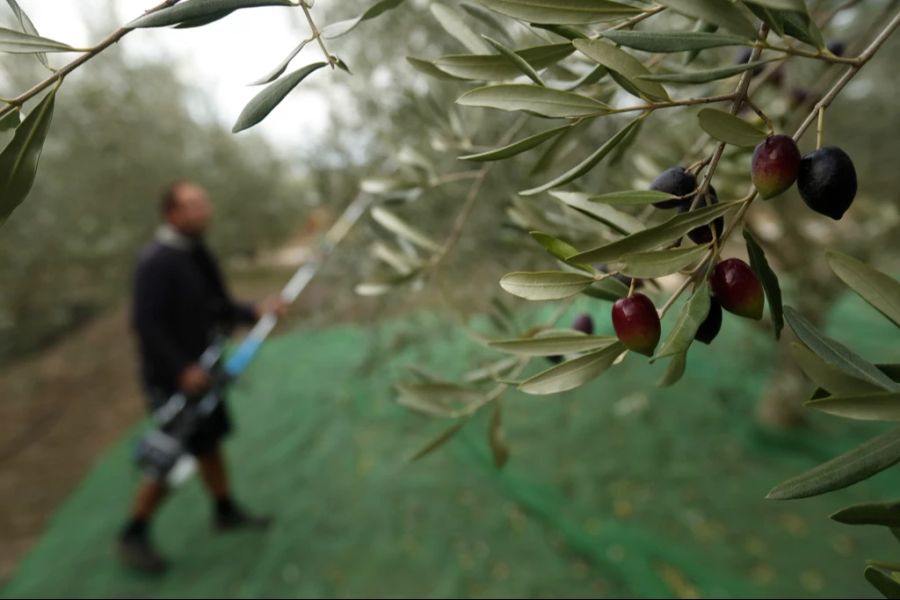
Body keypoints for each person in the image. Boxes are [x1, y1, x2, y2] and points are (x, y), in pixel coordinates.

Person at [118, 180, 287, 574]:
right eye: (192, 205)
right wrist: (180, 369)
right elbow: (146, 324)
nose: (203, 210)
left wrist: (256, 310)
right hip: (174, 379)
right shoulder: (156, 261)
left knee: (207, 442)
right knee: (170, 453)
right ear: (171, 214)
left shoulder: (197, 255)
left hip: (204, 370)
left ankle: (224, 510)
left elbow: (217, 307)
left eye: (203, 203)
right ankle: (133, 532)